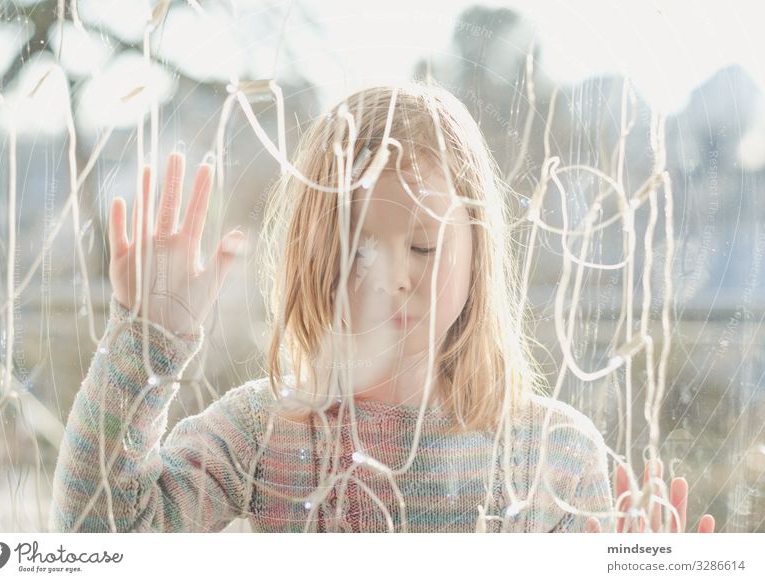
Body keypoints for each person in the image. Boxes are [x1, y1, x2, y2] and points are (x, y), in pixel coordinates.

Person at [49, 81, 714, 533]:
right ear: (311, 257)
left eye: (424, 246)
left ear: (478, 253)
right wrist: (147, 345)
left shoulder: (555, 453)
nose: (396, 277)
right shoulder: (264, 432)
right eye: (358, 249)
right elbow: (98, 531)